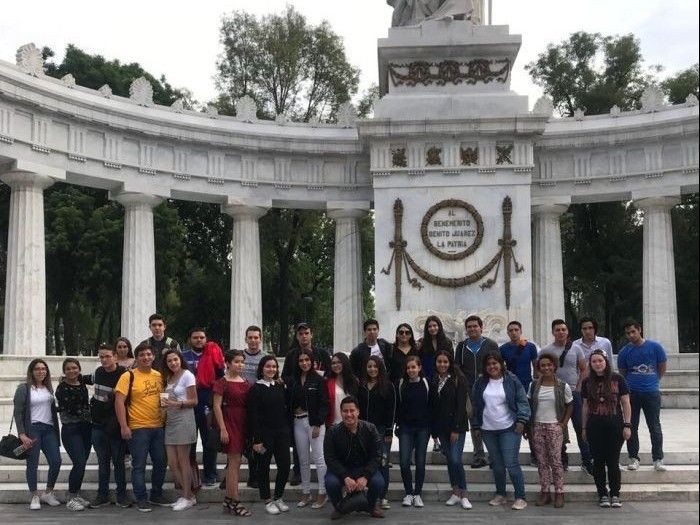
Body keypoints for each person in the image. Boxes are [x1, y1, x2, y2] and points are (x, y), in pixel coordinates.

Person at [114, 344, 169, 512]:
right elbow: (119, 402)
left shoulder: (159, 375)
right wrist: (124, 426)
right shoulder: (128, 376)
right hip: (138, 428)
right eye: (142, 355)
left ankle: (156, 494)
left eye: (148, 354)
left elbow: (163, 400)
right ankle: (141, 498)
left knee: (161, 462)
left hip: (158, 427)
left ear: (153, 357)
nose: (146, 357)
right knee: (139, 465)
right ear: (136, 358)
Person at [471, 354, 530, 510]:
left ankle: (520, 497)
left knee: (511, 463)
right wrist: (476, 425)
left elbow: (522, 401)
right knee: (496, 464)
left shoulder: (512, 379)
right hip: (488, 429)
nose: (492, 366)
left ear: (501, 364)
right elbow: (475, 405)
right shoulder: (480, 382)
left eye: (495, 363)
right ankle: (501, 494)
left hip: (509, 428)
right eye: (489, 364)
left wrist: (522, 420)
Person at [540, 319, 592, 474]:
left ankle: (587, 460)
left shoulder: (576, 349)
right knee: (557, 428)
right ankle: (562, 460)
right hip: (554, 393)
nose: (561, 332)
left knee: (580, 426)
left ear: (567, 331)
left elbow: (584, 369)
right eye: (557, 330)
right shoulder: (546, 350)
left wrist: (579, 386)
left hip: (574, 392)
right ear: (553, 332)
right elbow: (539, 370)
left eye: (563, 329)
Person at [581, 350, 632, 508]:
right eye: (594, 361)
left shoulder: (618, 379)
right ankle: (602, 493)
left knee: (612, 461)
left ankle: (615, 494)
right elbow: (585, 406)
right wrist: (583, 428)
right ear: (590, 363)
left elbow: (625, 402)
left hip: (615, 426)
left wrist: (627, 425)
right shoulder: (587, 382)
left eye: (600, 361)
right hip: (594, 426)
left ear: (606, 362)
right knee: (598, 462)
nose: (597, 364)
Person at [83, 344, 129, 509]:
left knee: (118, 462)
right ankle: (102, 495)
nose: (104, 359)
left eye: (107, 356)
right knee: (103, 462)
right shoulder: (98, 372)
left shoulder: (124, 374)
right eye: (101, 357)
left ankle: (121, 496)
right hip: (97, 425)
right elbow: (83, 379)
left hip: (116, 425)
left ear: (115, 357)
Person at [324, 396, 385, 519]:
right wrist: (345, 476)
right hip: (342, 468)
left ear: (358, 411)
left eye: (352, 410)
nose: (349, 414)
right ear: (340, 412)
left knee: (378, 482)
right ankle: (340, 507)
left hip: (364, 467)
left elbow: (377, 455)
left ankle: (371, 506)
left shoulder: (370, 429)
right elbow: (329, 457)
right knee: (331, 482)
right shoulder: (332, 431)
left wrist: (366, 476)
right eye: (345, 411)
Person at [617, 320, 667, 472]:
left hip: (651, 393)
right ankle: (633, 458)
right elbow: (622, 372)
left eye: (633, 331)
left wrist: (653, 381)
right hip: (632, 394)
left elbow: (662, 367)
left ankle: (658, 459)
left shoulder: (655, 347)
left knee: (655, 426)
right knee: (631, 426)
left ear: (640, 330)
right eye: (628, 333)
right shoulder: (624, 351)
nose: (631, 335)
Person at [13, 358, 62, 510]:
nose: (41, 371)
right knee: (32, 464)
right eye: (37, 369)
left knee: (56, 461)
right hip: (32, 430)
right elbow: (18, 412)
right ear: (32, 372)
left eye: (43, 369)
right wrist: (22, 434)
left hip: (49, 429)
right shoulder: (24, 388)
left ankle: (48, 492)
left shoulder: (49, 389)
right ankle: (34, 495)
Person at [247, 356, 291, 515]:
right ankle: (267, 499)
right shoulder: (255, 389)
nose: (271, 369)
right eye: (268, 366)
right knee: (263, 467)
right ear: (261, 368)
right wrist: (257, 440)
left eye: (274, 366)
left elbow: (286, 408)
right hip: (264, 435)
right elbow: (253, 416)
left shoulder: (280, 386)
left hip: (282, 433)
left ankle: (278, 496)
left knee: (285, 465)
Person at [527, 353, 573, 508]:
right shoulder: (533, 385)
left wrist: (564, 423)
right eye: (543, 365)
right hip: (538, 426)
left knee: (556, 461)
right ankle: (545, 492)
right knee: (542, 462)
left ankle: (559, 492)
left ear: (554, 366)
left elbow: (570, 404)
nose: (546, 368)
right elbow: (529, 405)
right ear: (539, 368)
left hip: (554, 426)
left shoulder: (562, 385)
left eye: (549, 365)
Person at [181, 328, 225, 487]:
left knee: (209, 442)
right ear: (190, 339)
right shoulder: (183, 356)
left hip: (208, 404)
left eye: (201, 337)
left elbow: (221, 378)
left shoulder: (214, 354)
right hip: (188, 405)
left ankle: (210, 474)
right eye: (195, 337)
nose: (199, 340)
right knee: (189, 443)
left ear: (206, 339)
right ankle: (190, 476)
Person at [454, 315, 500, 468]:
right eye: (469, 327)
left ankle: (495, 456)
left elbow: (498, 365)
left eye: (475, 326)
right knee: (474, 423)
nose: (472, 329)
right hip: (468, 390)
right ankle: (479, 455)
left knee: (491, 421)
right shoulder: (461, 346)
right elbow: (457, 367)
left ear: (481, 327)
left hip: (489, 388)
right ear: (466, 329)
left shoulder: (491, 344)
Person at [287, 349, 330, 509]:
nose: (304, 363)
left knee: (319, 459)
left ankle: (322, 492)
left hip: (314, 423)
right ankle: (305, 492)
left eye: (307, 360)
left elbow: (324, 403)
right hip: (298, 423)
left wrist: (318, 423)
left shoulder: (318, 380)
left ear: (312, 361)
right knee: (303, 460)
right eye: (301, 360)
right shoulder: (294, 380)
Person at [430, 350, 472, 510]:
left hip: (456, 428)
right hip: (441, 428)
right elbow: (433, 407)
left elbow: (461, 406)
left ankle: (464, 494)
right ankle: (455, 492)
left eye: (445, 362)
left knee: (456, 460)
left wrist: (455, 428)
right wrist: (434, 433)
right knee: (449, 460)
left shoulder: (458, 379)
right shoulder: (434, 379)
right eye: (439, 362)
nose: (442, 365)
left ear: (450, 363)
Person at [213, 350, 252, 516]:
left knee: (236, 463)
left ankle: (228, 500)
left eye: (242, 362)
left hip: (243, 422)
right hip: (230, 422)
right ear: (227, 363)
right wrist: (223, 428)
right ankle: (235, 501)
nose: (240, 365)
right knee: (234, 463)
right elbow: (216, 406)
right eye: (236, 361)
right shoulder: (222, 382)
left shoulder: (245, 380)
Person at [161, 348, 198, 511]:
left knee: (183, 461)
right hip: (171, 420)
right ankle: (186, 494)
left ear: (180, 359)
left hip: (184, 419)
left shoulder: (188, 376)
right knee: (172, 461)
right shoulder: (168, 377)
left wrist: (178, 404)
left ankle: (187, 496)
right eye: (169, 361)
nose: (173, 363)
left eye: (175, 359)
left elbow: (194, 400)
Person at [358, 356, 396, 511]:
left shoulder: (388, 386)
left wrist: (389, 431)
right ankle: (367, 495)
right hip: (363, 430)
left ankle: (382, 496)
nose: (372, 369)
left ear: (380, 367)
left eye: (375, 366)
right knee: (366, 462)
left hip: (381, 430)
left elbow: (392, 410)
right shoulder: (361, 385)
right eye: (369, 366)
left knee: (383, 463)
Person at [499, 321, 539, 465]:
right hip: (511, 389)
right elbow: (500, 368)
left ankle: (535, 454)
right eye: (511, 330)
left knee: (530, 424)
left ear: (520, 331)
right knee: (510, 423)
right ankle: (508, 455)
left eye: (516, 330)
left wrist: (536, 384)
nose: (514, 332)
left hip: (527, 388)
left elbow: (536, 367)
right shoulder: (503, 349)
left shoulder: (530, 347)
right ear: (508, 333)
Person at [55, 358, 92, 511]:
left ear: (79, 369)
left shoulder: (82, 385)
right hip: (71, 429)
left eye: (75, 368)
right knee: (79, 462)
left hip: (86, 429)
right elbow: (71, 408)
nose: (72, 371)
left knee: (82, 464)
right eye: (68, 368)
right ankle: (71, 497)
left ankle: (76, 495)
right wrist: (92, 414)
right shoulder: (61, 388)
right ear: (64, 371)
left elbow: (85, 404)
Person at [396, 355, 431, 508]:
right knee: (404, 462)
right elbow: (398, 405)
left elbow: (432, 405)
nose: (411, 370)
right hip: (406, 428)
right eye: (408, 367)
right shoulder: (401, 383)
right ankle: (408, 492)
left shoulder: (426, 383)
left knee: (420, 462)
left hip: (423, 428)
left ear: (419, 368)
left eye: (413, 367)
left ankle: (417, 493)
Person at [240, 325, 267, 489]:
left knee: (256, 441)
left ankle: (255, 475)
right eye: (250, 337)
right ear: (246, 339)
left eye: (256, 337)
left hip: (259, 406)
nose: (253, 340)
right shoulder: (239, 356)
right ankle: (230, 473)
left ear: (260, 339)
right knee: (242, 441)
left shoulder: (265, 358)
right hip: (241, 404)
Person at [326, 352, 360, 427]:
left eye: (339, 362)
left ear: (344, 363)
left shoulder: (354, 381)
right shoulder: (327, 382)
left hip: (352, 423)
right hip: (334, 425)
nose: (336, 365)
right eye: (333, 363)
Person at [418, 315, 453, 380]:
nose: (432, 328)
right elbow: (419, 360)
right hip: (427, 376)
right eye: (430, 326)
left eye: (435, 325)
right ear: (427, 329)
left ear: (439, 326)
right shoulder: (422, 342)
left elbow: (451, 360)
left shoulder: (447, 342)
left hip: (444, 377)